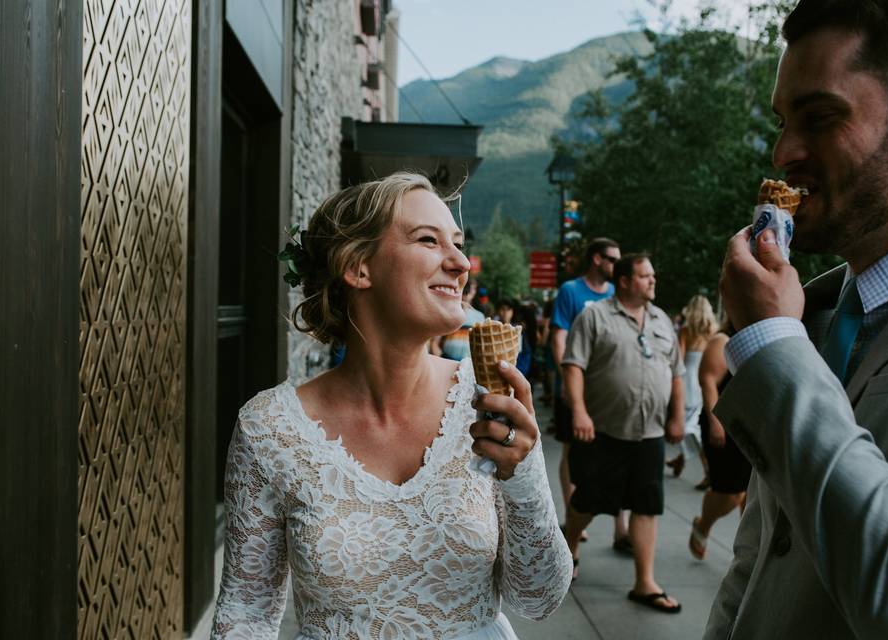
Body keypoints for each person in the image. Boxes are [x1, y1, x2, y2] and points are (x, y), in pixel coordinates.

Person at [211, 172, 572, 639]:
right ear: (358, 267)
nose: (461, 263)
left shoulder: (489, 403)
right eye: (428, 240)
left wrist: (519, 475)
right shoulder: (269, 429)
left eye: (458, 244)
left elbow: (539, 599)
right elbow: (246, 612)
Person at [708, 2, 888, 638]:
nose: (782, 150)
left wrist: (772, 344)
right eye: (784, 121)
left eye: (819, 118)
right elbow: (758, 558)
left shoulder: (783, 334)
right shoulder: (813, 312)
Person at [562, 253, 685, 614]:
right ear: (626, 281)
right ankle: (567, 546)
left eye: (652, 275)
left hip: (650, 432)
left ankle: (644, 582)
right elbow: (574, 366)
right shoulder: (595, 316)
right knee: (589, 499)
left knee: (647, 505)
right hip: (604, 429)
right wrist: (579, 411)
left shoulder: (662, 320)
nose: (652, 281)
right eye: (645, 275)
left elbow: (675, 373)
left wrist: (676, 417)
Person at [550, 238, 622, 546]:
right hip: (576, 386)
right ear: (596, 259)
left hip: (605, 390)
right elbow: (559, 338)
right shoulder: (571, 291)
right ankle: (572, 512)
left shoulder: (616, 292)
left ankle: (622, 527)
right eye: (612, 260)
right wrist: (567, 380)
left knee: (619, 451)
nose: (617, 266)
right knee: (571, 449)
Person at [687, 321, 751, 560]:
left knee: (751, 492)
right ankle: (703, 525)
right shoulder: (722, 340)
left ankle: (749, 550)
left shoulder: (755, 334)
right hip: (724, 425)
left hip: (750, 425)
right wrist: (716, 423)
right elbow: (708, 381)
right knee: (731, 493)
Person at [665, 295, 718, 489]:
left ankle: (708, 471)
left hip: (687, 384)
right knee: (692, 427)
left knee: (688, 429)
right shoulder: (713, 333)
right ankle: (680, 460)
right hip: (704, 384)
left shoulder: (686, 331)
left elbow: (677, 359)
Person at [429, 279, 485, 360]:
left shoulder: (479, 316)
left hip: (469, 364)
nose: (470, 290)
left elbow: (482, 346)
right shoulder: (447, 311)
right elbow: (434, 343)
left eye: (474, 288)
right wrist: (442, 359)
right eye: (469, 287)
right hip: (446, 361)